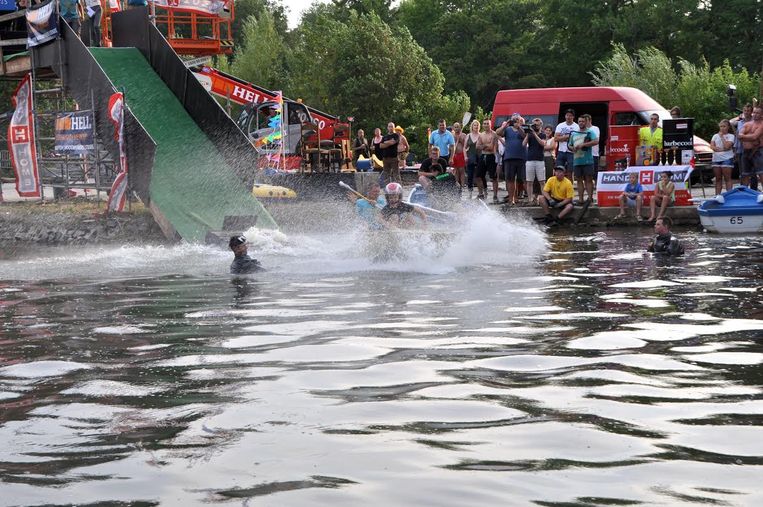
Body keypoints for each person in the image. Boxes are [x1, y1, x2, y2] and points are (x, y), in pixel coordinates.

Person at [495, 113, 527, 205]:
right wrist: (506, 124)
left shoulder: (523, 128)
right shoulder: (508, 129)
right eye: (514, 120)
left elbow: (525, 136)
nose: (516, 121)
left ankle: (518, 197)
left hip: (521, 157)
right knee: (510, 179)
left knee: (522, 179)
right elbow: (498, 133)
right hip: (509, 157)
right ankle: (511, 198)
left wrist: (519, 127)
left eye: (518, 119)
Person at [568, 115, 598, 204]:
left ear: (586, 122)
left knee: (588, 179)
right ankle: (581, 200)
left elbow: (596, 141)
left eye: (583, 121)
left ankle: (590, 199)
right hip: (577, 161)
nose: (581, 123)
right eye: (579, 121)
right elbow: (569, 145)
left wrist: (583, 145)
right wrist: (572, 148)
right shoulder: (574, 133)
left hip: (588, 160)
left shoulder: (590, 132)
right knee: (579, 180)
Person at [736, 105, 763, 188]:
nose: (755, 114)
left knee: (761, 173)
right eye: (754, 112)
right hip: (745, 151)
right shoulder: (747, 124)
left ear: (762, 114)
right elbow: (739, 136)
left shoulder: (762, 124)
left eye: (757, 113)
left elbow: (755, 136)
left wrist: (745, 136)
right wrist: (750, 137)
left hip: (758, 151)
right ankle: (745, 195)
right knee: (745, 175)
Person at [730, 104, 755, 189]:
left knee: (753, 171)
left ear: (751, 112)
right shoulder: (740, 122)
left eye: (748, 111)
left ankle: (754, 190)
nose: (746, 112)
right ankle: (744, 190)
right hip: (740, 149)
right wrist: (735, 150)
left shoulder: (754, 122)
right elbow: (731, 122)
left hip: (752, 149)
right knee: (743, 172)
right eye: (745, 110)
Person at [524, 117, 546, 204]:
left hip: (540, 160)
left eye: (537, 125)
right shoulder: (529, 135)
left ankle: (544, 199)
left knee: (542, 181)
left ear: (541, 125)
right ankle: (530, 199)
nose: (535, 126)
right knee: (529, 181)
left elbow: (543, 143)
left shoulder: (543, 135)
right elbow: (523, 144)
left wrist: (534, 134)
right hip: (530, 160)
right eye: (534, 125)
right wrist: (528, 134)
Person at [710, 119, 735, 195]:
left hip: (727, 159)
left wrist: (722, 137)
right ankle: (717, 196)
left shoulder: (731, 136)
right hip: (716, 159)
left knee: (727, 178)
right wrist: (721, 149)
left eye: (724, 126)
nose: (722, 128)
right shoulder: (715, 135)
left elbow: (727, 146)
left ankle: (729, 196)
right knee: (718, 179)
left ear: (728, 127)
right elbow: (712, 146)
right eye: (721, 126)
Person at [476, 119, 499, 201]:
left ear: (490, 124)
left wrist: (483, 145)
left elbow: (491, 147)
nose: (486, 125)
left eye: (487, 124)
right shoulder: (481, 135)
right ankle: (481, 193)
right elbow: (477, 147)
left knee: (494, 177)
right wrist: (486, 145)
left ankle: (495, 195)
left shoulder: (494, 134)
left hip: (491, 156)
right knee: (478, 175)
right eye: (484, 123)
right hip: (483, 155)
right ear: (482, 125)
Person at [554, 109, 579, 178]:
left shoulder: (576, 126)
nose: (568, 117)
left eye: (570, 115)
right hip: (561, 151)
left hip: (571, 151)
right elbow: (556, 138)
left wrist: (562, 137)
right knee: (558, 171)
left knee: (570, 172)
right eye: (567, 115)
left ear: (573, 117)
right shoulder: (560, 125)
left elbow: (577, 139)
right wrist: (568, 136)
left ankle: (570, 188)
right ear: (565, 116)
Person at [463, 120, 481, 197]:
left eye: (477, 125)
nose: (476, 127)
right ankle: (470, 193)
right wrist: (465, 156)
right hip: (470, 157)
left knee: (479, 175)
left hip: (479, 157)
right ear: (472, 127)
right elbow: (464, 147)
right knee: (470, 176)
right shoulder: (468, 135)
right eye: (474, 125)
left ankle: (482, 192)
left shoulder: (481, 135)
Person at [451, 122, 467, 190]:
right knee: (456, 170)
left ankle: (462, 185)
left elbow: (466, 146)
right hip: (454, 155)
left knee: (462, 170)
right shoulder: (452, 135)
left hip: (461, 155)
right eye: (455, 127)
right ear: (453, 128)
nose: (456, 128)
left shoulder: (463, 135)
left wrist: (460, 139)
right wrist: (456, 139)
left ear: (460, 127)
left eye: (458, 127)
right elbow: (451, 145)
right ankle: (457, 183)